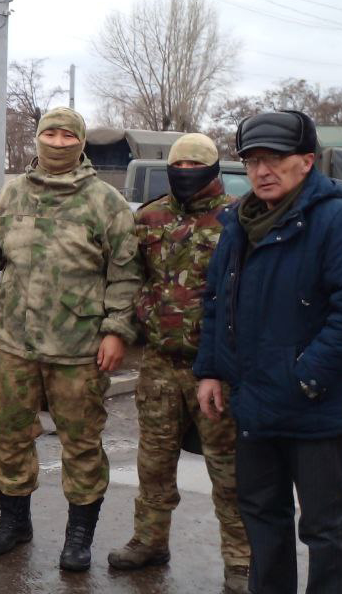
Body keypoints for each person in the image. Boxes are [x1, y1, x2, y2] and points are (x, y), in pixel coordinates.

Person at [195, 110, 342, 594]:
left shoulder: (339, 219)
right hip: (254, 402)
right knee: (263, 517)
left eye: (275, 159)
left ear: (306, 161)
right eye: (253, 160)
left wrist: (305, 376)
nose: (263, 171)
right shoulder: (241, 221)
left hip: (313, 406)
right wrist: (212, 370)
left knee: (325, 527)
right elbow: (218, 300)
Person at [0, 106, 140, 571]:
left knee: (82, 442)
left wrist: (115, 331)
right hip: (15, 344)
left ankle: (78, 536)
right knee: (11, 434)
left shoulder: (103, 201)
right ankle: (14, 522)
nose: (57, 142)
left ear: (80, 142)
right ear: (37, 139)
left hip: (79, 348)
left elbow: (126, 274)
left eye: (67, 136)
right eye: (49, 133)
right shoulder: (12, 195)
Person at [107, 133, 250, 593]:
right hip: (160, 364)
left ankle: (241, 560)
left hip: (218, 368)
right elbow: (133, 280)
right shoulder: (150, 217)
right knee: (153, 463)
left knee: (228, 472)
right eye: (179, 163)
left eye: (196, 164)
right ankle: (150, 540)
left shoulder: (238, 219)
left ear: (214, 169)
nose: (186, 171)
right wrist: (123, 331)